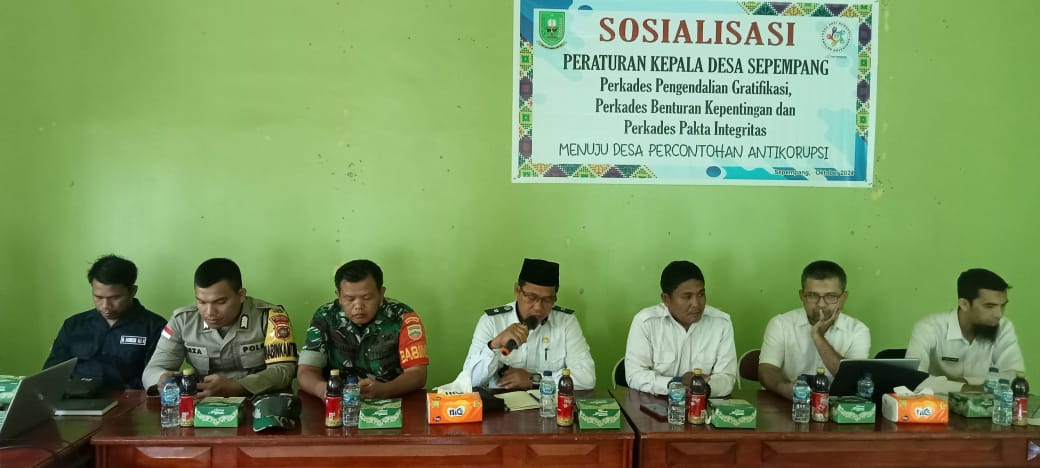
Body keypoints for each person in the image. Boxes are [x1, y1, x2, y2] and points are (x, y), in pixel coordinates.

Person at [142, 258, 298, 397]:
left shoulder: (270, 317)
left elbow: (284, 370)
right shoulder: (182, 321)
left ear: (241, 295)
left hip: (261, 401)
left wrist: (237, 387)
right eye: (202, 302)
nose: (209, 312)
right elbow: (153, 369)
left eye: (220, 302)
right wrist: (161, 379)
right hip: (204, 404)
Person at [297, 259, 429, 400]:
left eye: (367, 297)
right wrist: (322, 390)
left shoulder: (403, 317)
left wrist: (385, 390)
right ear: (339, 296)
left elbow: (417, 373)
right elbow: (306, 370)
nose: (358, 306)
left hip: (391, 398)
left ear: (381, 293)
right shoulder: (325, 316)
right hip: (337, 400)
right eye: (349, 299)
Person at [460, 258, 595, 390]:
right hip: (502, 403)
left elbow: (587, 378)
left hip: (548, 402)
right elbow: (469, 381)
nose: (538, 307)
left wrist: (535, 379)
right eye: (531, 297)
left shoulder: (566, 322)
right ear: (517, 290)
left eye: (547, 300)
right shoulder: (492, 321)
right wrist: (494, 344)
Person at [44, 255, 166, 392]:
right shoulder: (73, 325)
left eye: (115, 298)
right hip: (73, 398)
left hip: (127, 400)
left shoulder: (155, 327)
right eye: (98, 297)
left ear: (132, 291)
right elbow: (51, 373)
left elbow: (155, 378)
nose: (105, 306)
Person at [759, 260, 871, 399]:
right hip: (788, 402)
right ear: (802, 295)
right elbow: (766, 369)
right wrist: (783, 388)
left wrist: (818, 336)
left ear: (843, 297)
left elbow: (852, 379)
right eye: (812, 295)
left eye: (831, 296)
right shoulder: (780, 324)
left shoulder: (858, 331)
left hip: (839, 405)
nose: (821, 304)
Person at [625, 261, 737, 396]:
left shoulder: (721, 323)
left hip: (702, 403)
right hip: (656, 403)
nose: (696, 304)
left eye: (701, 294)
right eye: (687, 297)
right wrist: (675, 383)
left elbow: (727, 377)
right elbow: (635, 375)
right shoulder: (646, 322)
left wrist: (703, 386)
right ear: (666, 299)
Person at [906, 268, 1024, 393]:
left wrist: (966, 381)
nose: (999, 314)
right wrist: (965, 388)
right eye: (989, 306)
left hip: (986, 404)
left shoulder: (1003, 327)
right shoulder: (929, 328)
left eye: (1003, 305)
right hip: (937, 404)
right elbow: (913, 379)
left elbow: (1015, 377)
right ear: (964, 304)